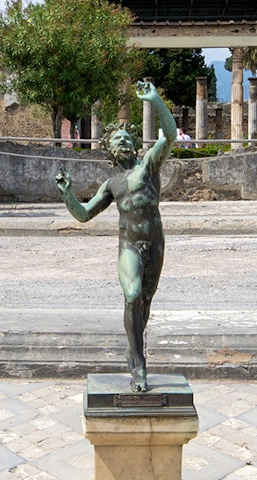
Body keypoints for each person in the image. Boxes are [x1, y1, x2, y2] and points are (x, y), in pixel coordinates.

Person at [55, 81, 176, 392]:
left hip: (156, 243)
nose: (122, 141)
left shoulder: (148, 166)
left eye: (126, 137)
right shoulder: (111, 184)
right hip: (129, 247)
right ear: (108, 150)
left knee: (144, 304)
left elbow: (171, 135)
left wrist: (156, 100)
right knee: (133, 295)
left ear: (134, 145)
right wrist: (67, 194)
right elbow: (83, 214)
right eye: (116, 139)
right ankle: (139, 366)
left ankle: (131, 350)